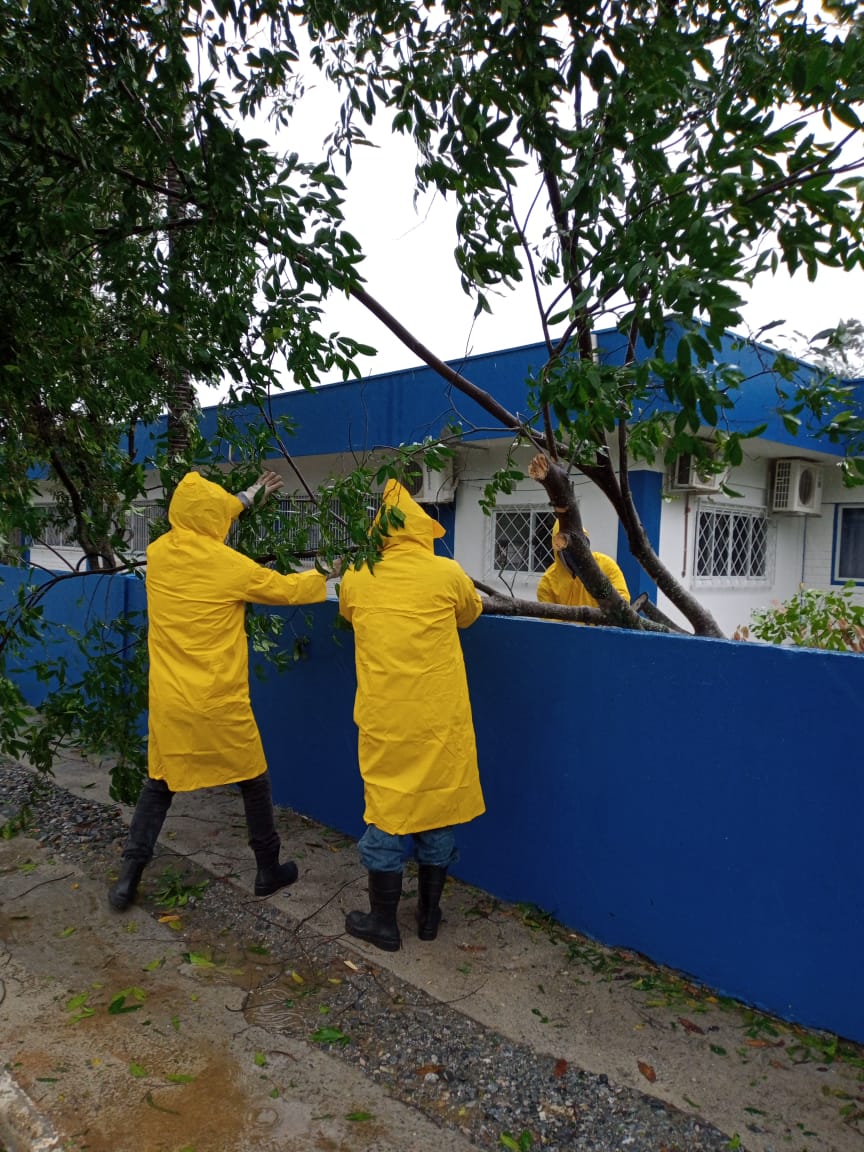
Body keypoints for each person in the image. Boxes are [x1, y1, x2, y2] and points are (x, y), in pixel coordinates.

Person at [109, 469, 339, 911]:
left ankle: (127, 879)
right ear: (212, 519)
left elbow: (207, 512)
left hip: (171, 701)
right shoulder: (228, 566)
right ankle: (267, 870)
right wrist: (328, 570)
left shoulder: (157, 554)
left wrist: (249, 495)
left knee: (159, 783)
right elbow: (287, 589)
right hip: (219, 701)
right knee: (254, 781)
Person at [337, 479, 484, 952]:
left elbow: (346, 613)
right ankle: (428, 915)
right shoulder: (447, 573)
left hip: (386, 719)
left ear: (381, 531)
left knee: (386, 811)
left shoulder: (359, 575)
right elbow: (471, 613)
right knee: (436, 808)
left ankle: (383, 922)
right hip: (439, 719)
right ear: (422, 530)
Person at [537, 522, 629, 614]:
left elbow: (623, 599)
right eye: (571, 547)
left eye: (581, 545)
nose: (578, 553)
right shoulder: (548, 582)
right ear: (559, 553)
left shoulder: (606, 565)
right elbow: (551, 624)